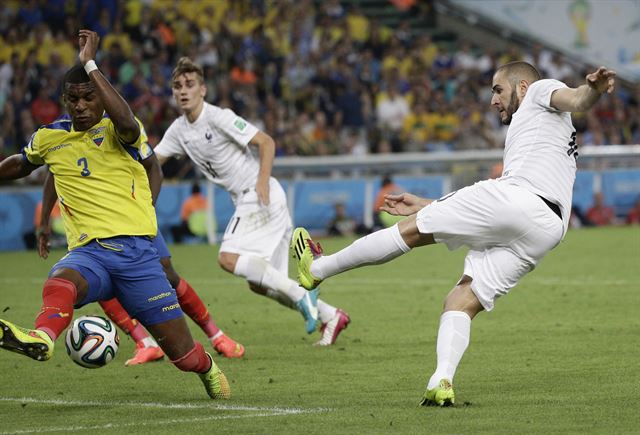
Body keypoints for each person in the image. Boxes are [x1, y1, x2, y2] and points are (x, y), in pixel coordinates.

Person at [291, 62, 616, 405]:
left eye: (497, 89)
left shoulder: (538, 89)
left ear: (521, 88)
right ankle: (441, 380)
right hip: (547, 230)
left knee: (412, 233)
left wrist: (592, 89)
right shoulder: (542, 129)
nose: (493, 100)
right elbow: (490, 211)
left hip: (520, 199)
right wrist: (427, 205)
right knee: (461, 300)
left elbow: (578, 99)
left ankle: (316, 269)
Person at [0, 30, 230, 399]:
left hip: (138, 255)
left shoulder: (119, 129)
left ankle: (207, 367)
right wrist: (43, 222)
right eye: (73, 99)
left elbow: (126, 124)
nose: (80, 106)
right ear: (64, 100)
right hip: (91, 254)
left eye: (89, 97)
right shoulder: (50, 137)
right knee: (61, 279)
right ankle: (41, 336)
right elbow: (24, 164)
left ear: (101, 97)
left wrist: (90, 64)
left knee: (184, 357)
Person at [153, 57, 349, 346]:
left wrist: (261, 182)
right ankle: (331, 315)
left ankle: (303, 296)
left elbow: (266, 142)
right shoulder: (178, 130)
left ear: (203, 90)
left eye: (190, 85)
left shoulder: (218, 117)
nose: (183, 91)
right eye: (177, 86)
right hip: (257, 198)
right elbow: (153, 161)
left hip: (259, 195)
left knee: (227, 259)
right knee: (260, 284)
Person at [39, 171, 245, 364]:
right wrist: (44, 220)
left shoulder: (121, 133)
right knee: (100, 275)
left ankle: (216, 335)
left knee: (168, 274)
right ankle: (145, 343)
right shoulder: (61, 137)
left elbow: (154, 165)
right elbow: (53, 171)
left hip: (134, 218)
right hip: (94, 223)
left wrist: (145, 209)